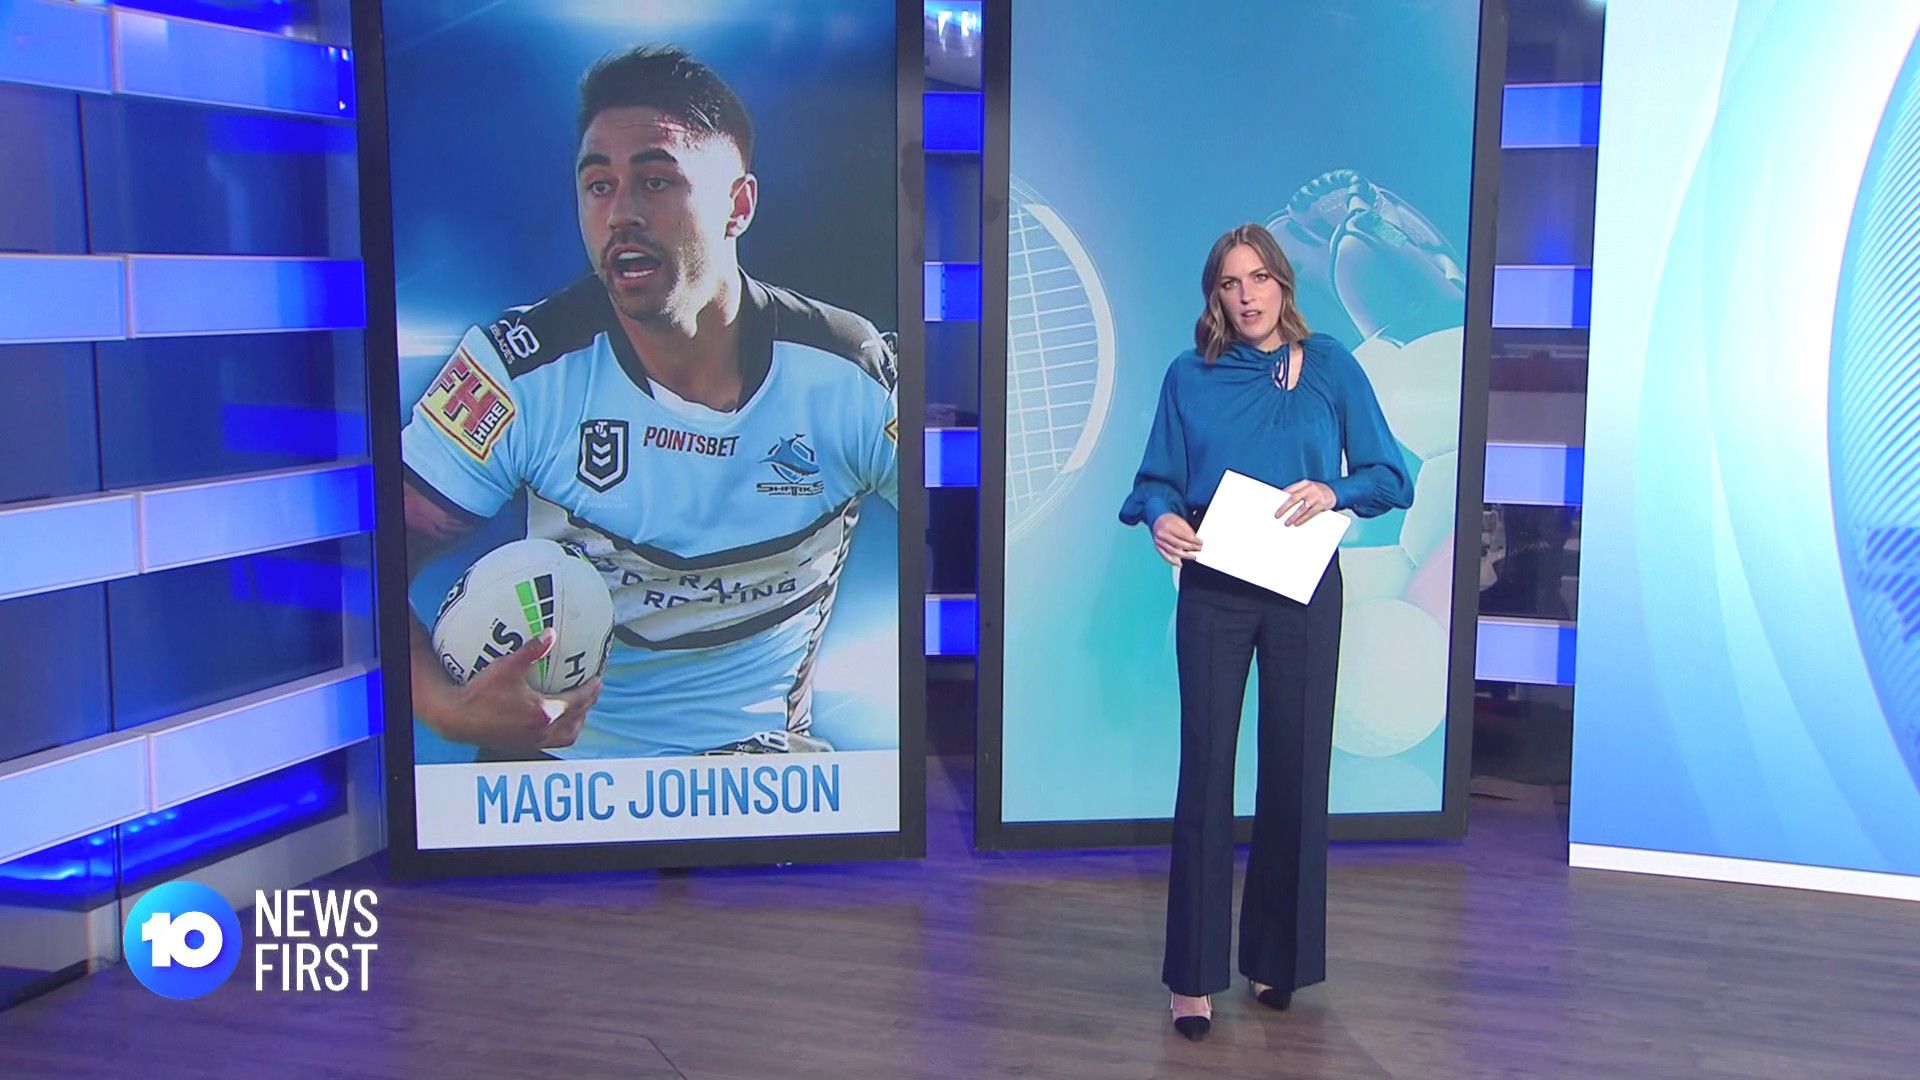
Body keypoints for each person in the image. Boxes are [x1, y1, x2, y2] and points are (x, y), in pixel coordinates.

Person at [400, 45, 899, 760]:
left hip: (765, 782)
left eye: (656, 181)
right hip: (562, 783)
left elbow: (981, 544)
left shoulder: (849, 375)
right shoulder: (517, 370)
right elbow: (366, 558)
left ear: (738, 205)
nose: (621, 215)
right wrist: (446, 710)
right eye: (597, 186)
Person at [1119, 223, 1413, 1040]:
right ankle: (1193, 979)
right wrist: (1163, 518)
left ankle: (1276, 960)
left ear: (1284, 283)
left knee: (1296, 772)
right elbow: (1155, 482)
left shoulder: (1333, 368)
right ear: (1214, 296)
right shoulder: (1190, 375)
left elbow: (1391, 476)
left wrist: (1333, 491)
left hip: (1304, 589)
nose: (1246, 296)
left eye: (1258, 279)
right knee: (1206, 774)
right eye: (1229, 283)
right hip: (1215, 589)